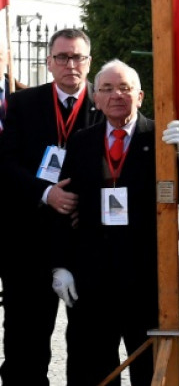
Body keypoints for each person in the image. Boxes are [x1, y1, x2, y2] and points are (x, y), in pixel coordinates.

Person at [48, 59, 179, 386]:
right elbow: (64, 202)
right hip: (93, 282)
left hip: (147, 282)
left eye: (125, 88)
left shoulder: (161, 137)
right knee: (92, 370)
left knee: (150, 370)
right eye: (107, 89)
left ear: (140, 96)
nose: (116, 95)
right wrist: (61, 266)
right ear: (95, 98)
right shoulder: (82, 142)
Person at [0, 28, 103, 385]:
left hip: (86, 246)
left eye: (77, 57)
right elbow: (6, 163)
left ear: (89, 62)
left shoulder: (106, 103)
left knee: (91, 351)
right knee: (24, 351)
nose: (70, 64)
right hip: (29, 245)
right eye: (62, 57)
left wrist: (83, 205)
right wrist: (46, 193)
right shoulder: (23, 104)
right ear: (49, 62)